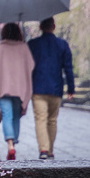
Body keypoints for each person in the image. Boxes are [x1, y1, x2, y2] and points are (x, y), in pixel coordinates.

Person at [28, 16, 75, 159]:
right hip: (56, 87)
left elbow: (28, 67)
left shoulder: (32, 44)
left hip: (38, 87)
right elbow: (68, 68)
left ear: (40, 27)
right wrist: (71, 88)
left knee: (40, 119)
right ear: (54, 27)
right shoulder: (62, 45)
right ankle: (50, 150)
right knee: (52, 120)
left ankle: (43, 149)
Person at [0, 23, 35, 161]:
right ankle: (14, 141)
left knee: (7, 115)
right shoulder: (24, 47)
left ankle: (10, 145)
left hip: (3, 88)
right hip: (20, 89)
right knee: (16, 116)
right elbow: (31, 65)